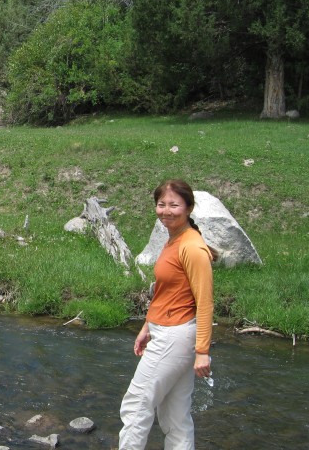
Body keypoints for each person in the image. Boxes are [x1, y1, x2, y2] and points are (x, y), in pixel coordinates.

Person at [119, 179, 216, 449]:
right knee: (174, 416)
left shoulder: (192, 247)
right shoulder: (174, 239)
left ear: (189, 207)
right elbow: (165, 291)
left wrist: (202, 351)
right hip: (166, 331)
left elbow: (205, 303)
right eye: (161, 204)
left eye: (174, 205)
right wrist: (147, 327)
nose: (166, 210)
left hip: (176, 336)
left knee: (136, 406)